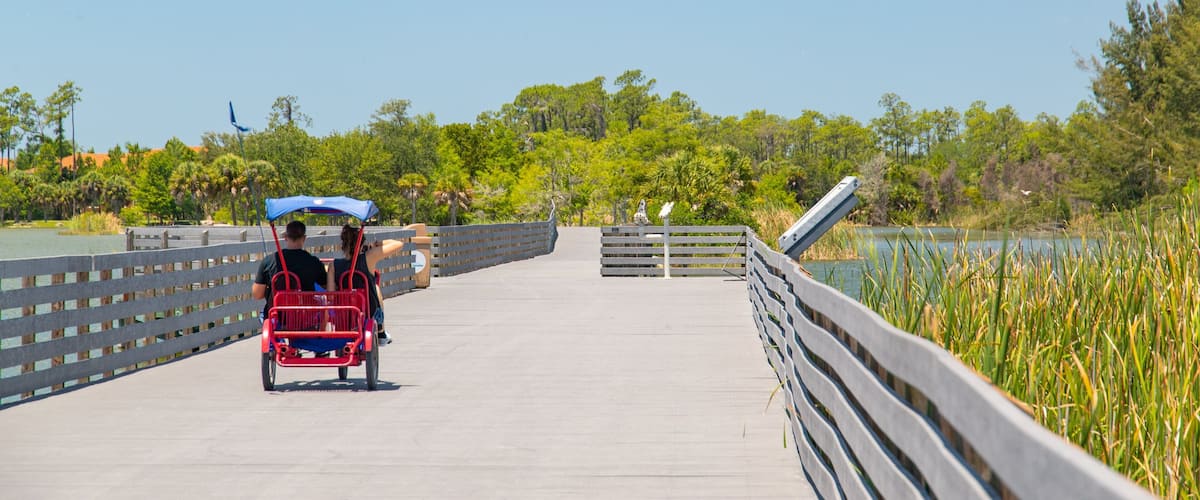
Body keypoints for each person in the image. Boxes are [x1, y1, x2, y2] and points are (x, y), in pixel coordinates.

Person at [330, 224, 407, 345]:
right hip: (368, 311)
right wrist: (377, 244)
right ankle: (381, 331)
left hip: (345, 314)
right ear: (362, 244)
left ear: (342, 245)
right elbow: (398, 244)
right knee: (375, 288)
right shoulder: (369, 257)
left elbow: (331, 294)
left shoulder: (333, 265)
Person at [252, 221, 327, 319]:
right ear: (304, 238)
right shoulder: (314, 262)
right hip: (305, 318)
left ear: (286, 237)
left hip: (276, 317)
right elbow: (325, 287)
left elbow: (257, 294)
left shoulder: (269, 261)